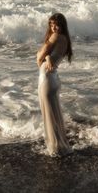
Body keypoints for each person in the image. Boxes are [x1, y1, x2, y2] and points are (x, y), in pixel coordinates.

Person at [37, 13, 73, 156]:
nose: (53, 27)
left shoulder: (55, 37)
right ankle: (60, 146)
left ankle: (56, 149)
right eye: (51, 25)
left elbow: (39, 57)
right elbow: (47, 56)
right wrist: (47, 57)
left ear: (62, 25)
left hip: (47, 78)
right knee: (54, 115)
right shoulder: (65, 39)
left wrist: (44, 56)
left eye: (56, 24)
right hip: (53, 78)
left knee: (50, 116)